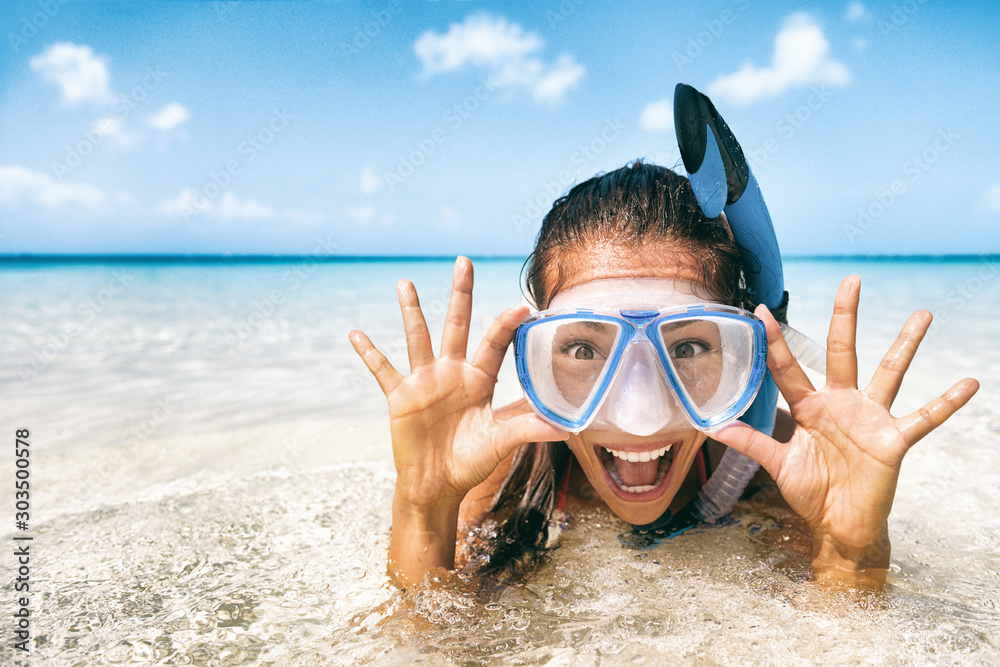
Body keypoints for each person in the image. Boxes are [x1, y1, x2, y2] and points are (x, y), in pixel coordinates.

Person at [348, 161, 979, 589]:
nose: (638, 411)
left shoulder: (789, 475)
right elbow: (418, 646)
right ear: (533, 360)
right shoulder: (500, 478)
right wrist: (424, 506)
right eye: (584, 351)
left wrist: (853, 550)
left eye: (688, 349)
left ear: (744, 359)